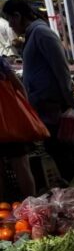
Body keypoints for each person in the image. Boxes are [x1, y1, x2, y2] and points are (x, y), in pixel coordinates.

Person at [1, 0, 74, 179]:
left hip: (54, 106)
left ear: (18, 16)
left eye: (10, 19)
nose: (10, 25)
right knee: (56, 150)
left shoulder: (42, 33)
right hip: (44, 106)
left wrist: (69, 99)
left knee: (62, 151)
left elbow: (61, 68)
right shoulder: (33, 34)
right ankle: (71, 188)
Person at [0, 56, 39, 197]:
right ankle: (31, 203)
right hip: (11, 122)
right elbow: (20, 87)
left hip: (10, 123)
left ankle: (3, 207)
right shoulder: (1, 62)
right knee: (21, 165)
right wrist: (23, 112)